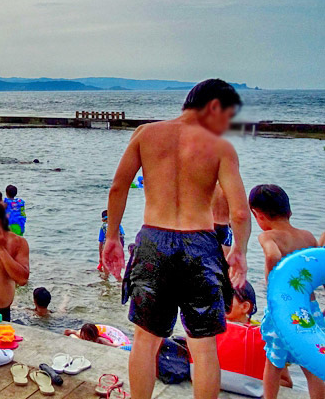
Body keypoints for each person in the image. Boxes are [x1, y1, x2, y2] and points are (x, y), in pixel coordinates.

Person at [103, 79, 250, 399]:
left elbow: (118, 187)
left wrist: (112, 236)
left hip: (154, 241)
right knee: (205, 347)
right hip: (200, 243)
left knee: (144, 340)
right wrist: (240, 249)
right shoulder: (220, 147)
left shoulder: (146, 134)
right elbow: (240, 211)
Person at [249, 184, 325, 399]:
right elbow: (320, 270)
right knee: (311, 363)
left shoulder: (269, 237)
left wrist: (277, 275)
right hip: (309, 310)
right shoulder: (308, 237)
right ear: (289, 211)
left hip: (282, 312)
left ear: (258, 215)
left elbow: (272, 255)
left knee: (274, 362)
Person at [65, 323, 131, 348]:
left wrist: (123, 346)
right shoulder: (82, 335)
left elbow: (114, 346)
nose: (85, 338)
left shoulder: (99, 340)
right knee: (74, 337)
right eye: (83, 336)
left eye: (87, 337)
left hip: (112, 340)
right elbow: (68, 331)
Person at [212, 185, 233, 254]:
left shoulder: (209, 185)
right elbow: (237, 212)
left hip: (210, 226)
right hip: (225, 226)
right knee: (226, 261)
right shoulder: (231, 187)